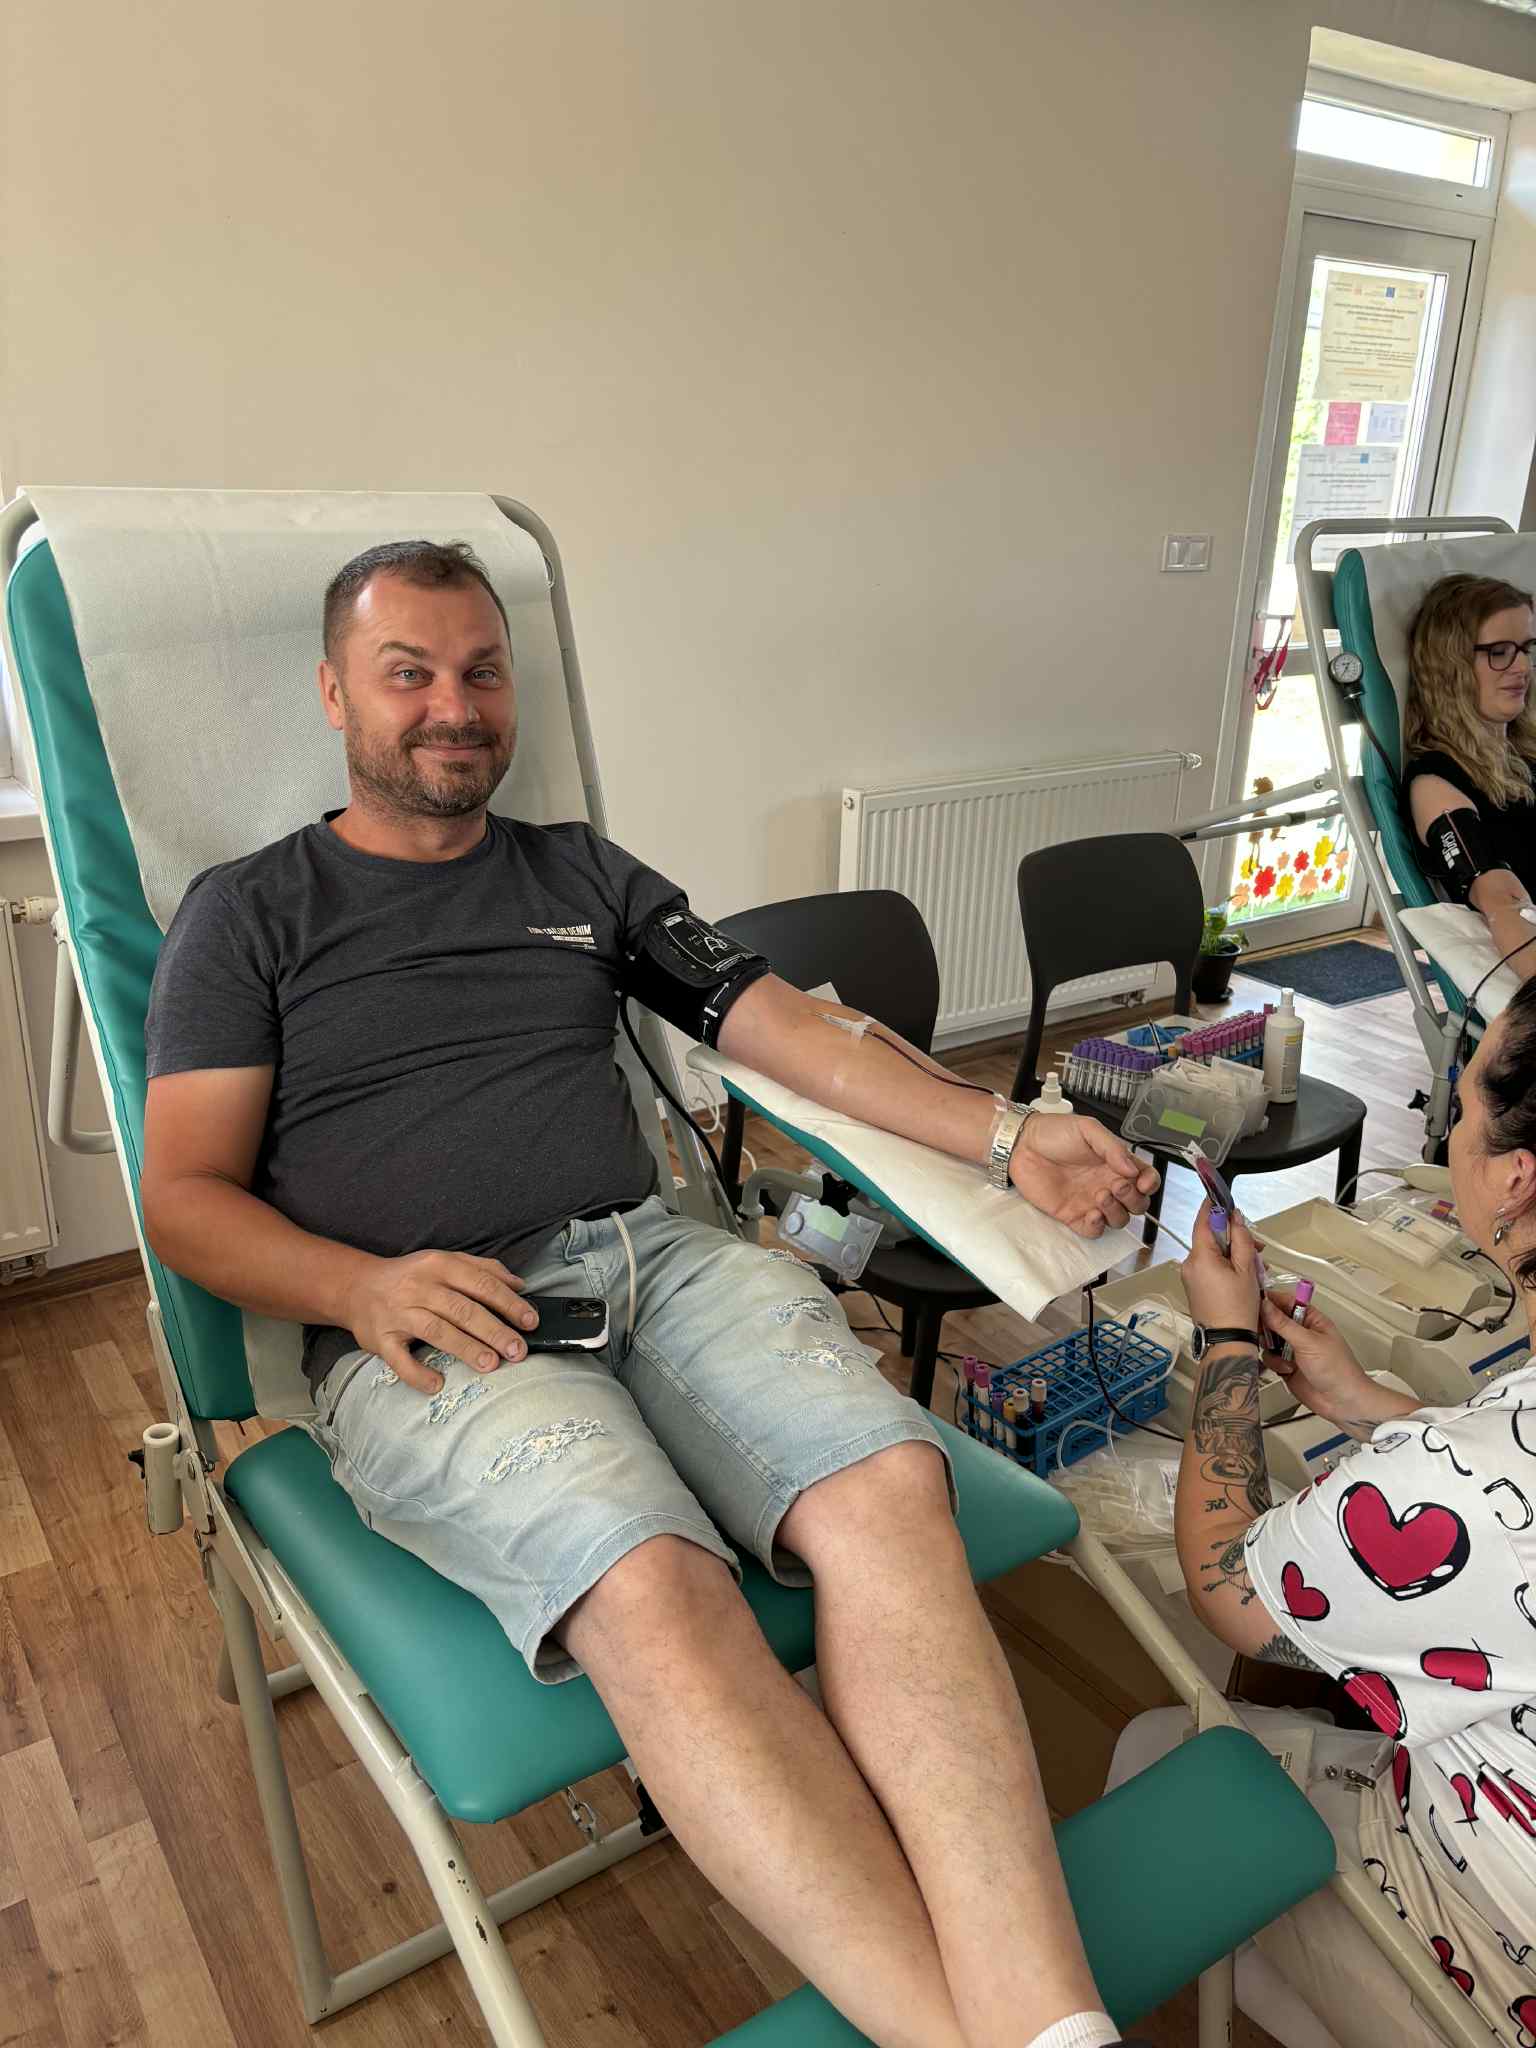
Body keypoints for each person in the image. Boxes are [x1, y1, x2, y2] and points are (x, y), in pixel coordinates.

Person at [140, 538, 1164, 2048]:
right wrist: (359, 1286)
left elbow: (785, 1029)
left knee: (890, 1487)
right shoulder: (248, 912)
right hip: (433, 1319)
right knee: (654, 1588)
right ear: (333, 694)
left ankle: (1050, 2022)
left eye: (482, 671)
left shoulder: (581, 874)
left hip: (654, 1259)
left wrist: (1009, 1136)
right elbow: (182, 1197)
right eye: (408, 673)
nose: (454, 706)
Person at [1161, 976, 1536, 2048]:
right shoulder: (1480, 1457)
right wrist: (1369, 1405)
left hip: (1485, 1958)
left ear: (1516, 1176)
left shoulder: (1450, 1481)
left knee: (1157, 1753)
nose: (1449, 1131)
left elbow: (1232, 1591)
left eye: (1460, 1104)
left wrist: (1229, 1343)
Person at [1403, 574, 1536, 982]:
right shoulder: (1436, 783)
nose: (1522, 667)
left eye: (1527, 649)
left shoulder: (1526, 756)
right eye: (1499, 652)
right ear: (1452, 667)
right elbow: (1500, 901)